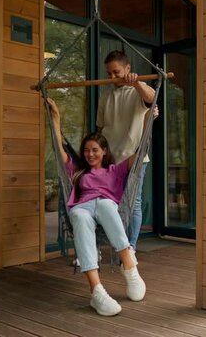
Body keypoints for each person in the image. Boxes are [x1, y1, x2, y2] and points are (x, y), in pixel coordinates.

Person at [48, 98, 145, 317]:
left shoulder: (115, 170)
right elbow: (57, 145)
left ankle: (129, 265)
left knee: (105, 205)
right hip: (82, 207)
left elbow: (140, 152)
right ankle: (97, 292)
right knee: (80, 217)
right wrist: (55, 116)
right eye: (86, 151)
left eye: (94, 150)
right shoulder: (77, 170)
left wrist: (148, 122)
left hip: (106, 206)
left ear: (103, 151)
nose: (89, 154)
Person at [97, 50, 156, 255]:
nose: (112, 77)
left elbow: (151, 98)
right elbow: (100, 128)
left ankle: (130, 247)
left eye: (116, 72)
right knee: (108, 203)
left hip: (134, 157)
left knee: (133, 203)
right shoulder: (105, 94)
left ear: (128, 69)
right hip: (110, 159)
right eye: (109, 73)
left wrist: (137, 82)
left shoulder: (139, 90)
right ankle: (115, 243)